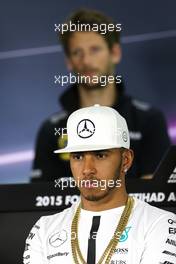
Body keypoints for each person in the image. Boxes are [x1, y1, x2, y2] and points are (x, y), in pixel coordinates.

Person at [31, 9, 170, 182]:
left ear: (115, 53)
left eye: (95, 49)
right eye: (77, 52)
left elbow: (157, 197)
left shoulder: (149, 120)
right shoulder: (50, 130)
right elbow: (39, 201)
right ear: (68, 61)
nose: (86, 61)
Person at [24, 105, 176, 264]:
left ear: (126, 160)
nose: (87, 169)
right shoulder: (44, 229)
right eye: (78, 157)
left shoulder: (160, 224)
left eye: (100, 155)